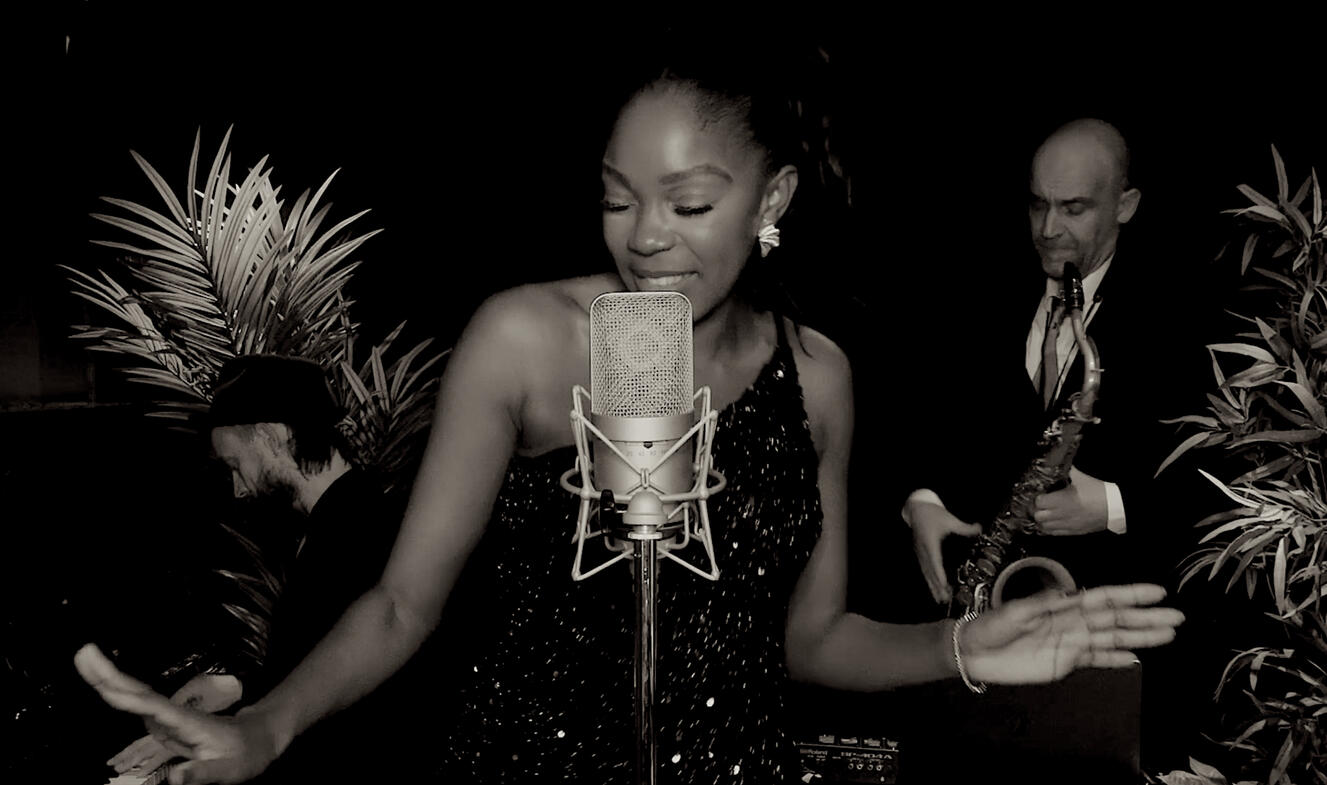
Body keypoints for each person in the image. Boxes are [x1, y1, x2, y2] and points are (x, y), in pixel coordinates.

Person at [74, 46, 1184, 785]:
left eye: (690, 202)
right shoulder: (523, 338)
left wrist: (963, 646)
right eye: (617, 196)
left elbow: (813, 640)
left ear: (773, 203)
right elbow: (404, 602)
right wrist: (265, 723)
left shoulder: (821, 377)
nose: (644, 235)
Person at [901, 118, 1207, 603]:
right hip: (983, 601)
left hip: (1111, 607)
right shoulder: (974, 287)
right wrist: (924, 499)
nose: (1047, 229)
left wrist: (1112, 505)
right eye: (1038, 204)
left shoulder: (1184, 319)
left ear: (1125, 206)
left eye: (1074, 208)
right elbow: (926, 413)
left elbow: (1219, 479)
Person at [102, 354, 414, 783]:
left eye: (235, 464)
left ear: (273, 436)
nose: (237, 488)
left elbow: (355, 699)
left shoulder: (362, 533)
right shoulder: (338, 520)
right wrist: (237, 687)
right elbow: (316, 661)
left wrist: (207, 736)